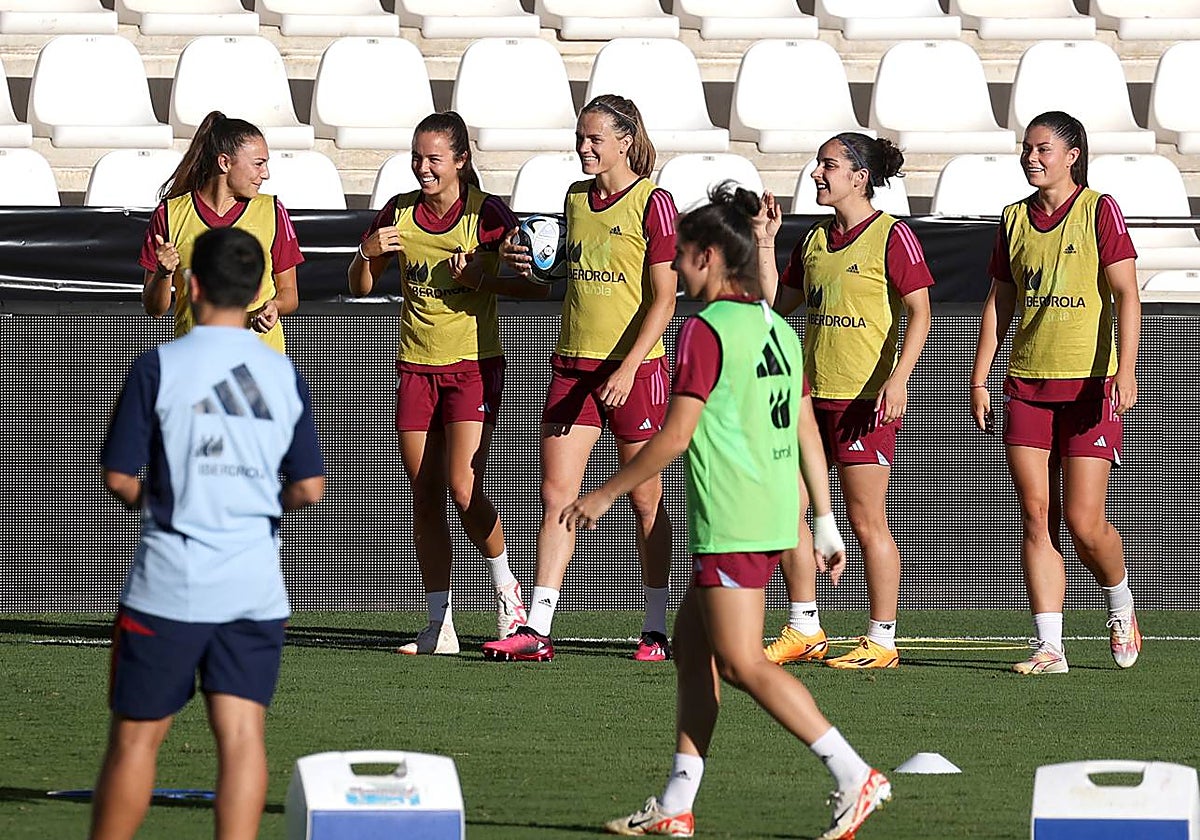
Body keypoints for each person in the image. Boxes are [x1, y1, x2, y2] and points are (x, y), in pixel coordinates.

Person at [563, 183, 890, 840]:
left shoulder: (705, 330)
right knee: (692, 647)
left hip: (735, 519)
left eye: (682, 255)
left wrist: (602, 494)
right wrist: (822, 522)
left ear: (709, 257)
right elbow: (802, 424)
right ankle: (678, 802)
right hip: (768, 515)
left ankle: (855, 774)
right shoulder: (776, 326)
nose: (676, 267)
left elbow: (676, 436)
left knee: (741, 663)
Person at [92, 227, 325, 840]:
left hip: (170, 582)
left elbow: (118, 475)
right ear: (256, 293)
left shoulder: (160, 366)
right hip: (253, 586)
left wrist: (167, 503)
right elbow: (307, 489)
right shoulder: (282, 373)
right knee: (243, 738)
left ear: (192, 288)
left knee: (136, 741)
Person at [483, 94, 679, 663]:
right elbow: (567, 274)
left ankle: (655, 626)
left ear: (625, 140)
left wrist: (627, 366)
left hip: (635, 372)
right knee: (556, 495)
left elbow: (665, 299)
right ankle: (538, 628)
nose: (584, 147)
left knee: (646, 498)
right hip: (573, 366)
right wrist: (534, 266)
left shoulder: (654, 203)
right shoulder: (574, 198)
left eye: (595, 138)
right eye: (580, 136)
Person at [348, 111, 544, 655]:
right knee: (425, 495)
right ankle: (440, 624)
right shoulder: (399, 213)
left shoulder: (488, 216)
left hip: (472, 367)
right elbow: (360, 286)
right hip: (415, 367)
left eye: (434, 158)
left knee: (463, 485)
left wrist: (484, 275)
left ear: (461, 160)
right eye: (417, 157)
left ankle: (508, 597)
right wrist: (367, 255)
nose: (423, 168)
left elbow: (535, 288)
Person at [970, 111, 1142, 675]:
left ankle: (1120, 604)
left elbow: (1126, 293)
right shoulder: (1013, 219)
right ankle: (1049, 646)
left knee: (1083, 521)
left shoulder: (1100, 209)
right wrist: (980, 373)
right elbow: (1000, 300)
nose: (1031, 158)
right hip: (1027, 385)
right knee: (1036, 516)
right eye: (1026, 149)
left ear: (1072, 155)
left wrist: (1127, 369)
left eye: (1043, 148)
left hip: (1091, 386)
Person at [756, 133, 933, 669]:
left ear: (859, 177)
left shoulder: (892, 235)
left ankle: (881, 638)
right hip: (810, 401)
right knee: (786, 510)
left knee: (865, 521)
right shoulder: (812, 241)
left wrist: (899, 378)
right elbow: (774, 305)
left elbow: (921, 311)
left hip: (863, 403)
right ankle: (805, 625)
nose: (816, 173)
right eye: (817, 164)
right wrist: (766, 241)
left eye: (827, 165)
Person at [140, 110, 303, 353]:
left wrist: (275, 306)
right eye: (259, 164)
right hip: (196, 363)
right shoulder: (170, 214)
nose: (266, 174)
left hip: (258, 362)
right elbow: (155, 309)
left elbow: (290, 294)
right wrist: (164, 274)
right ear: (225, 162)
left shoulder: (273, 211)